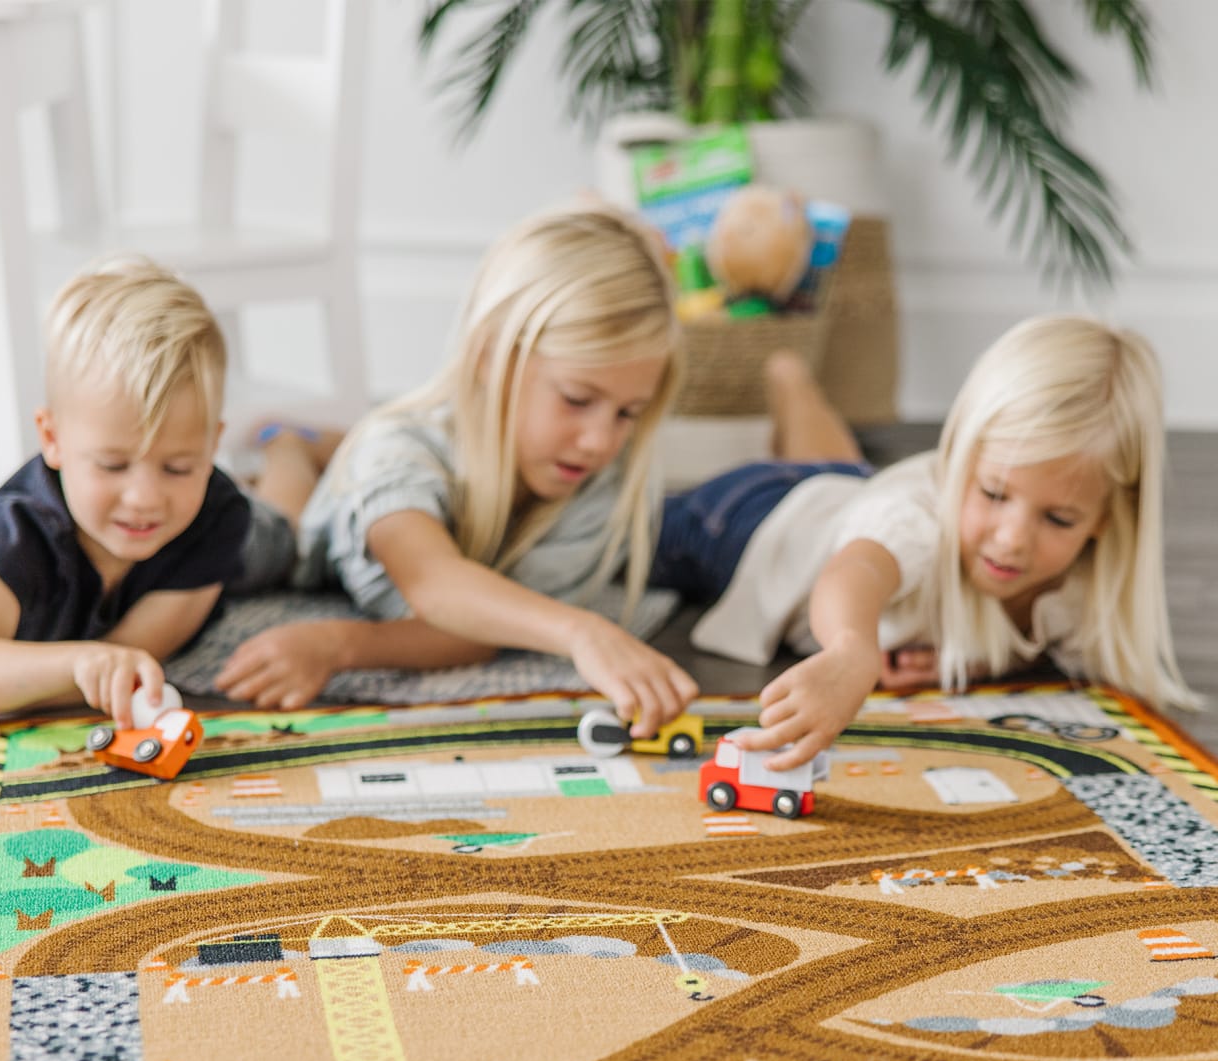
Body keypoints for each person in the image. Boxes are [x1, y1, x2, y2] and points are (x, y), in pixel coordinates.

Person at [215, 199, 698, 735]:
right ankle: (292, 446)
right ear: (491, 356)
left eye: (627, 413)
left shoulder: (605, 481)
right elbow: (433, 584)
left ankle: (329, 442)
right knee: (284, 527)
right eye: (578, 399)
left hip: (432, 494)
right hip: (329, 537)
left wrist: (342, 644)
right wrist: (584, 632)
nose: (599, 440)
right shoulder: (400, 449)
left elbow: (480, 631)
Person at [648, 314, 1198, 771]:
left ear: (1107, 518)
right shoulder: (912, 520)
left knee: (840, 472)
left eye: (1057, 518)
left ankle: (792, 384)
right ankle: (789, 383)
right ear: (958, 458)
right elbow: (856, 569)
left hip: (847, 494)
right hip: (753, 523)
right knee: (626, 537)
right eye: (993, 493)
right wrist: (852, 650)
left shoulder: (1084, 582)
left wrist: (973, 663)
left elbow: (1029, 642)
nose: (1012, 540)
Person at [0, 254, 259, 751]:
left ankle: (289, 454)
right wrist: (72, 665)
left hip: (260, 539)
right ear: (53, 439)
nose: (145, 498)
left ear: (212, 448)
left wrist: (1, 686)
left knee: (296, 539)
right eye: (112, 465)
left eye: (178, 467)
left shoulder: (218, 515)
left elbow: (131, 651)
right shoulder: (16, 535)